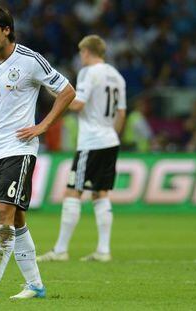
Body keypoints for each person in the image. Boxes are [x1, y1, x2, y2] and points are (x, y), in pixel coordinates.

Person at [0, 6, 75, 299]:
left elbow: (67, 92)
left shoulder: (30, 61)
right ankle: (35, 285)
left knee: (3, 213)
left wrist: (43, 126)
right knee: (17, 218)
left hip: (20, 148)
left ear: (7, 30)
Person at [37, 35, 126, 263]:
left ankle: (60, 250)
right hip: (110, 140)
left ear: (86, 52)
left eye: (81, 53)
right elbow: (122, 113)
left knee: (72, 192)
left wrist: (55, 91)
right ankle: (103, 251)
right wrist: (112, 135)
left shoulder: (89, 73)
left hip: (91, 142)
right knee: (100, 193)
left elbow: (77, 104)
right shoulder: (117, 76)